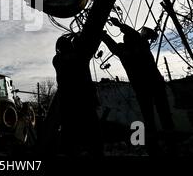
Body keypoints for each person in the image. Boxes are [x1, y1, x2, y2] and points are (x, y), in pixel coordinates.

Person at [101, 17, 175, 155]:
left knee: (149, 118)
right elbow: (133, 34)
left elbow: (112, 44)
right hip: (156, 84)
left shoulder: (123, 52)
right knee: (164, 114)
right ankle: (171, 145)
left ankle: (154, 149)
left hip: (142, 89)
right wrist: (119, 25)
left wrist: (102, 34)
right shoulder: (142, 45)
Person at [52, 33, 103, 157]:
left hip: (68, 102)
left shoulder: (57, 60)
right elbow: (89, 48)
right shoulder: (80, 57)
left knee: (69, 132)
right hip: (84, 101)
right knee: (92, 131)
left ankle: (71, 150)